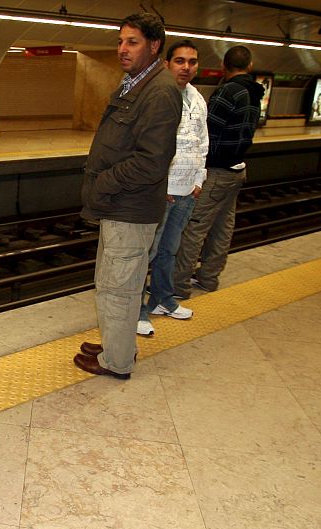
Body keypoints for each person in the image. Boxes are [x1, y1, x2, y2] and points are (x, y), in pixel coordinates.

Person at [73, 13, 182, 380]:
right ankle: (116, 344)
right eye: (120, 41)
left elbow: (151, 162)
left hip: (129, 205)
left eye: (132, 42)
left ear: (154, 46)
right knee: (116, 282)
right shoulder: (136, 83)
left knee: (117, 288)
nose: (122, 48)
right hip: (120, 204)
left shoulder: (161, 91)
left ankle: (116, 362)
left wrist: (103, 182)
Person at [173, 45, 263, 298]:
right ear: (250, 66)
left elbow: (207, 133)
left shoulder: (227, 91)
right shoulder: (254, 92)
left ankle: (179, 285)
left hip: (218, 171)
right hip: (237, 169)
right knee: (223, 227)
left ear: (223, 67)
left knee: (194, 227)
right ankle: (209, 278)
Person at [137, 39, 208, 336]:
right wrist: (157, 183)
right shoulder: (158, 96)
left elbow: (203, 141)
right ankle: (137, 308)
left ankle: (162, 299)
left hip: (186, 190)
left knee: (170, 250)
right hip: (161, 190)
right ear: (167, 64)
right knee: (147, 252)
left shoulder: (198, 99)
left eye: (192, 62)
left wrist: (198, 180)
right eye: (180, 61)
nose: (186, 67)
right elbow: (147, 145)